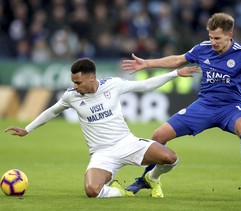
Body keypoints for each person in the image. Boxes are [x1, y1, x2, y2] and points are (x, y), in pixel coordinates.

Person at [122, 12, 241, 198]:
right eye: (211, 37)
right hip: (204, 106)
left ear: (230, 36)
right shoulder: (202, 49)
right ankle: (145, 179)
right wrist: (147, 63)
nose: (213, 42)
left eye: (217, 38)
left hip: (230, 107)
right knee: (158, 135)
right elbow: (176, 60)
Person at [4, 58, 199, 198]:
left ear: (91, 78)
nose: (75, 86)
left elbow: (145, 85)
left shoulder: (113, 85)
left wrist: (174, 73)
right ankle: (120, 191)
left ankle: (152, 178)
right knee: (92, 191)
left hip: (127, 143)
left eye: (78, 82)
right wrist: (27, 129)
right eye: (73, 82)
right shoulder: (71, 96)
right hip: (102, 153)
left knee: (170, 158)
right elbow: (52, 112)